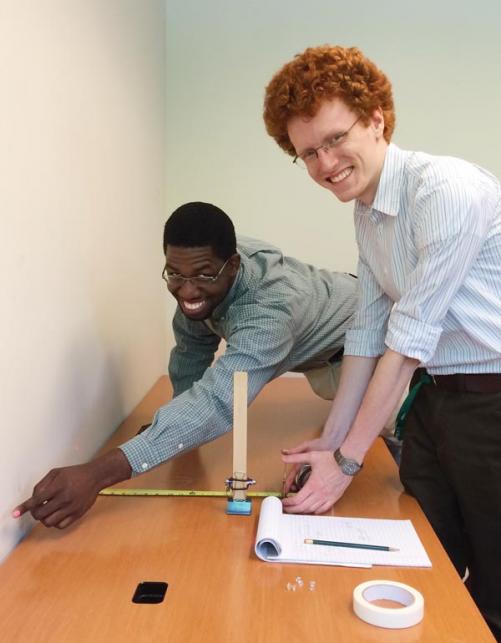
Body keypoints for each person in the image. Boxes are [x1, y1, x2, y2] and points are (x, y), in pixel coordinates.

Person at [263, 45, 501, 640]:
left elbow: (410, 337)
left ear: (376, 119)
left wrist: (345, 464)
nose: (325, 163)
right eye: (308, 153)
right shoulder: (368, 211)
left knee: (495, 588)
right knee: (428, 563)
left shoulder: (442, 189)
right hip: (435, 398)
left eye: (336, 138)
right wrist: (332, 440)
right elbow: (367, 333)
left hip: (492, 402)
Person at [13, 202, 357, 528]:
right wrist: (174, 425)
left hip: (362, 346)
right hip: (321, 353)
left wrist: (97, 474)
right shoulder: (208, 267)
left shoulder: (271, 309)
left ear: (234, 265)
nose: (187, 291)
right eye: (174, 274)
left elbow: (220, 401)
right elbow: (191, 352)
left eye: (203, 276)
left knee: (378, 450)